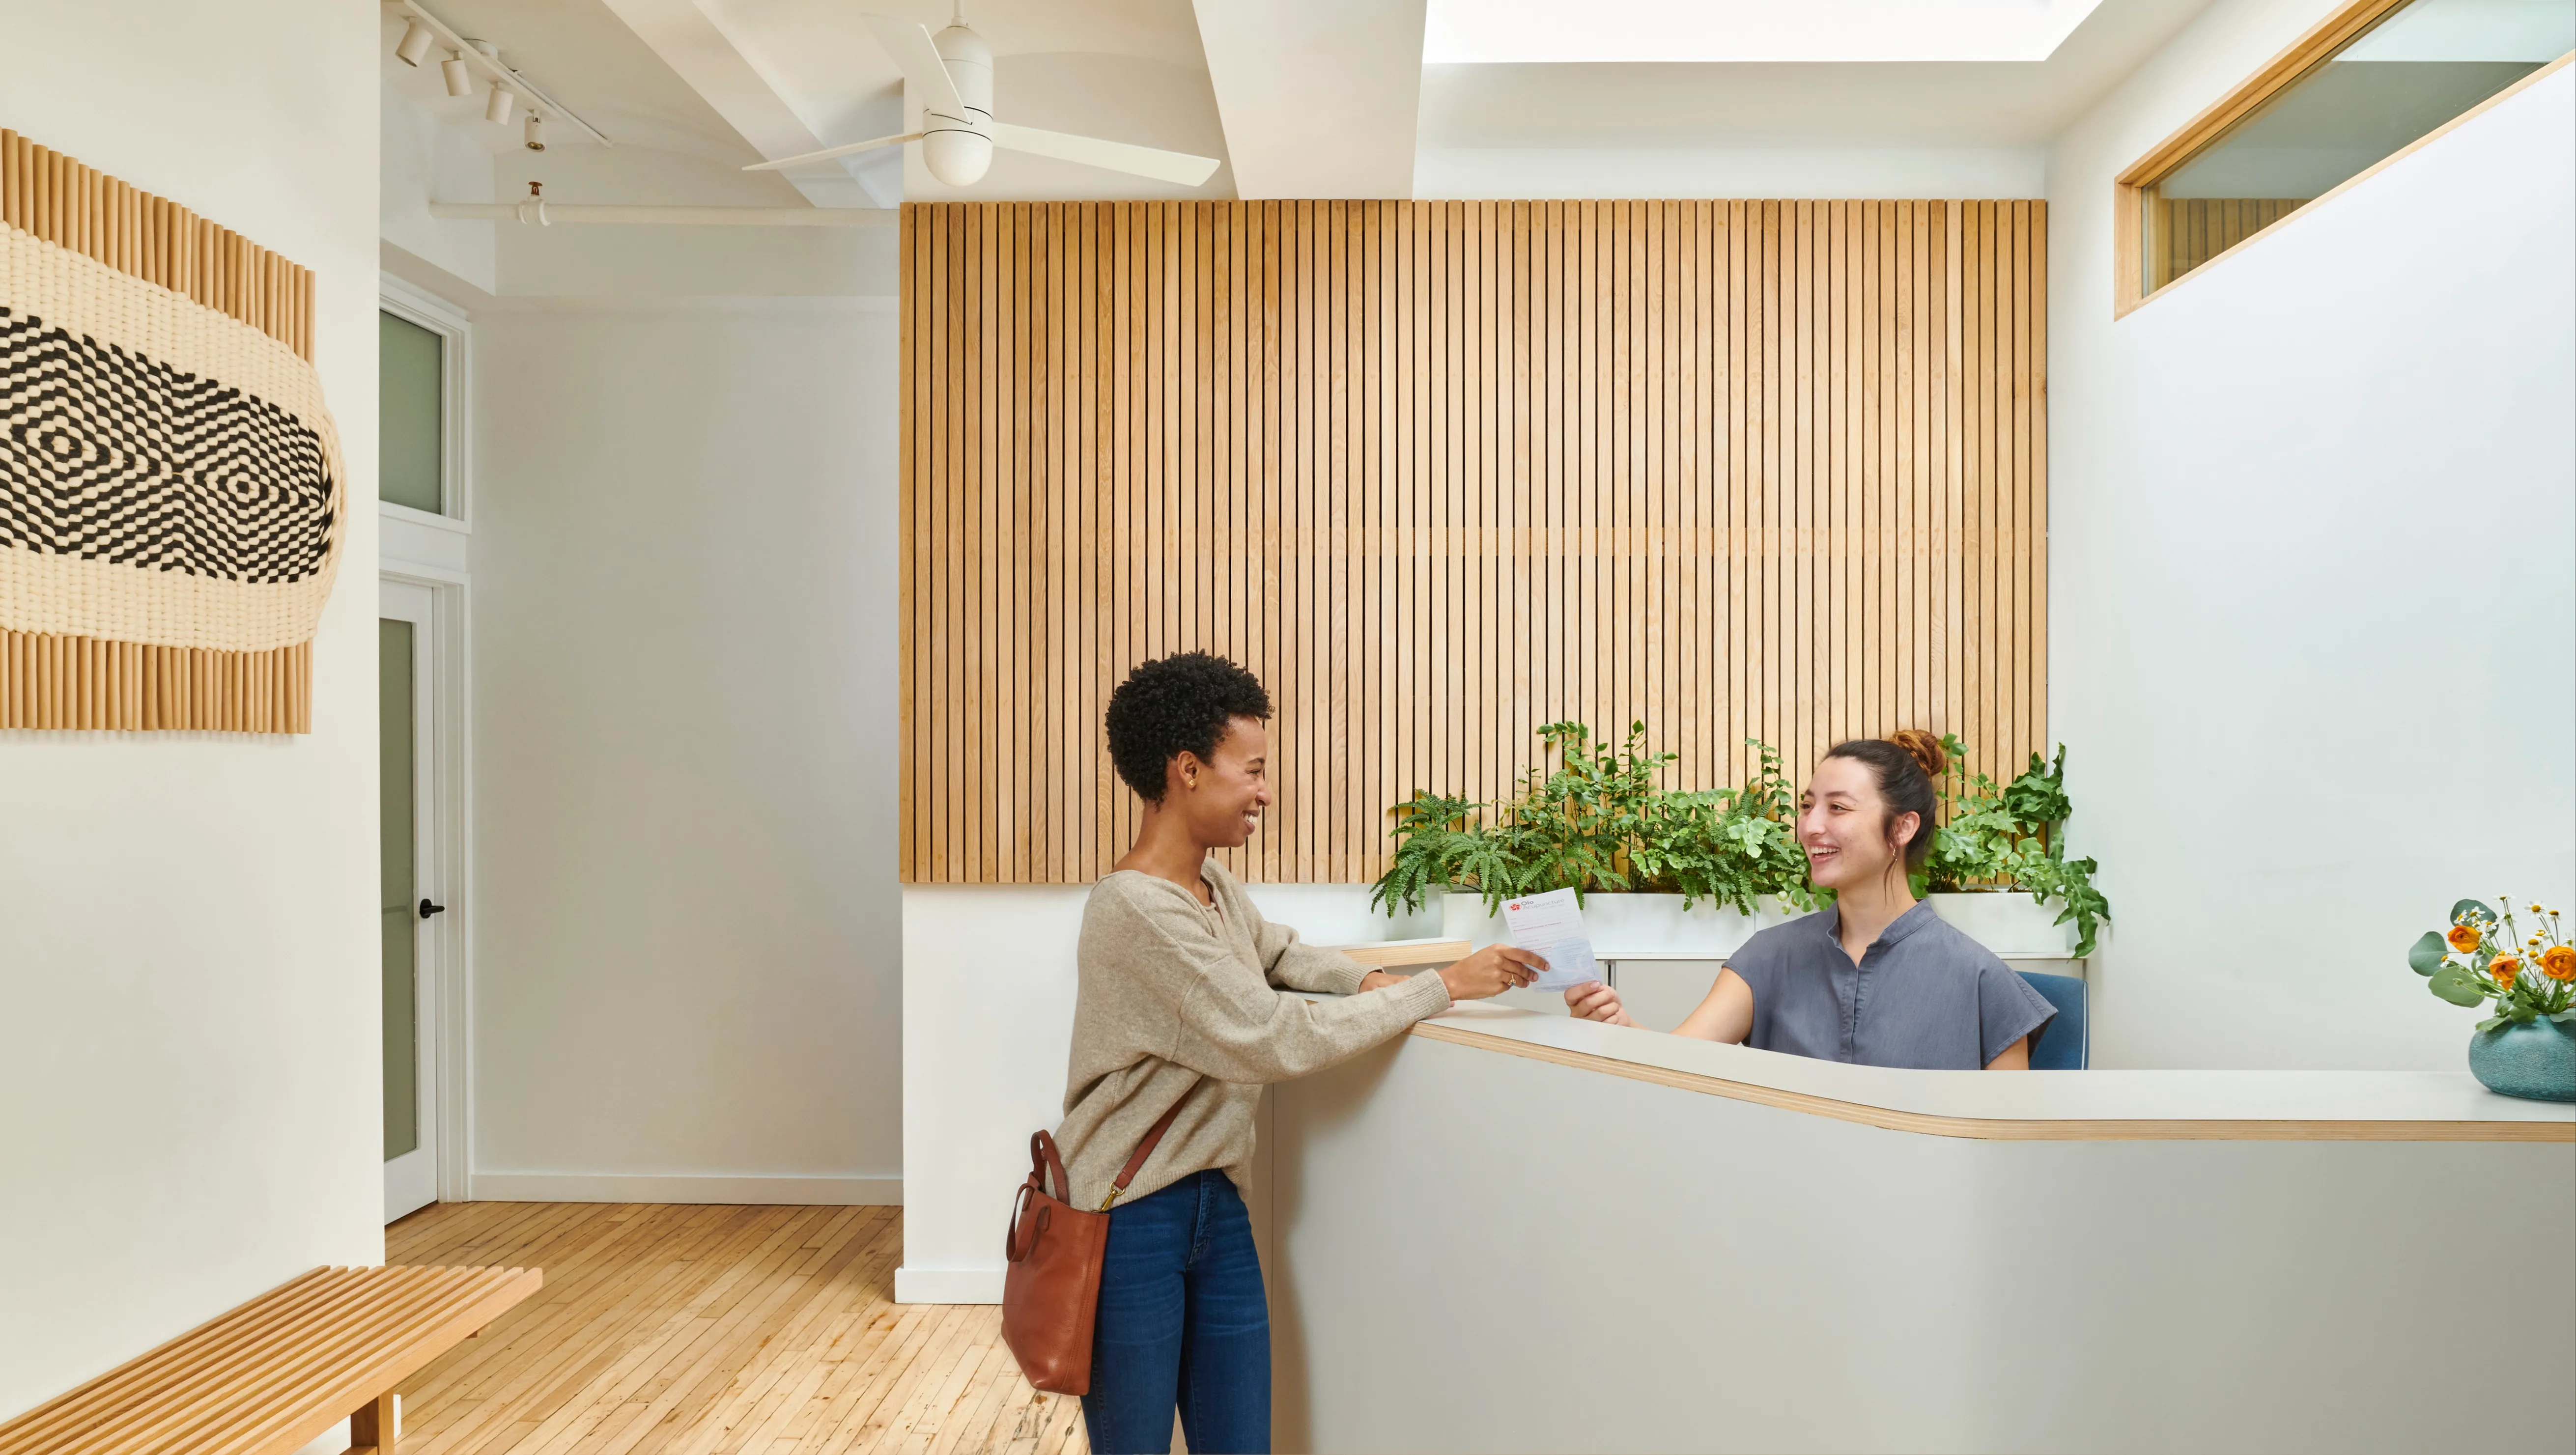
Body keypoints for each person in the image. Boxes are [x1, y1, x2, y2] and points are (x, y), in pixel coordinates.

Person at [1057, 651, 1545, 1454]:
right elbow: (1271, 1033)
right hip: (1129, 1215)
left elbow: (1281, 955)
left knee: (1243, 1440)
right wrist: (1439, 987)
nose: (1264, 791)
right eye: (1250, 770)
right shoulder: (1136, 910)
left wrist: (1375, 979)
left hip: (1214, 1201)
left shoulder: (1211, 890)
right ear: (1186, 770)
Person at [1564, 729, 2055, 1070]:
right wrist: (1616, 1023)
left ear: (1902, 827)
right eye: (1806, 806)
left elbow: (2003, 1150)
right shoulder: (1766, 958)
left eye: (1837, 807)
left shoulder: (1981, 981)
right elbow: (1678, 1062)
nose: (1810, 825)